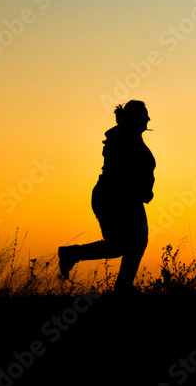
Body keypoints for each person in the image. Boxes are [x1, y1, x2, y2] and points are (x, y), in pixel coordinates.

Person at [58, 100, 155, 293]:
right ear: (135, 118)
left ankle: (73, 255)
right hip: (115, 198)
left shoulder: (129, 137)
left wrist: (143, 189)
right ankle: (122, 286)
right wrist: (140, 188)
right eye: (144, 114)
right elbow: (122, 171)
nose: (148, 118)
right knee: (127, 244)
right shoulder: (122, 139)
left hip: (127, 198)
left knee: (127, 244)